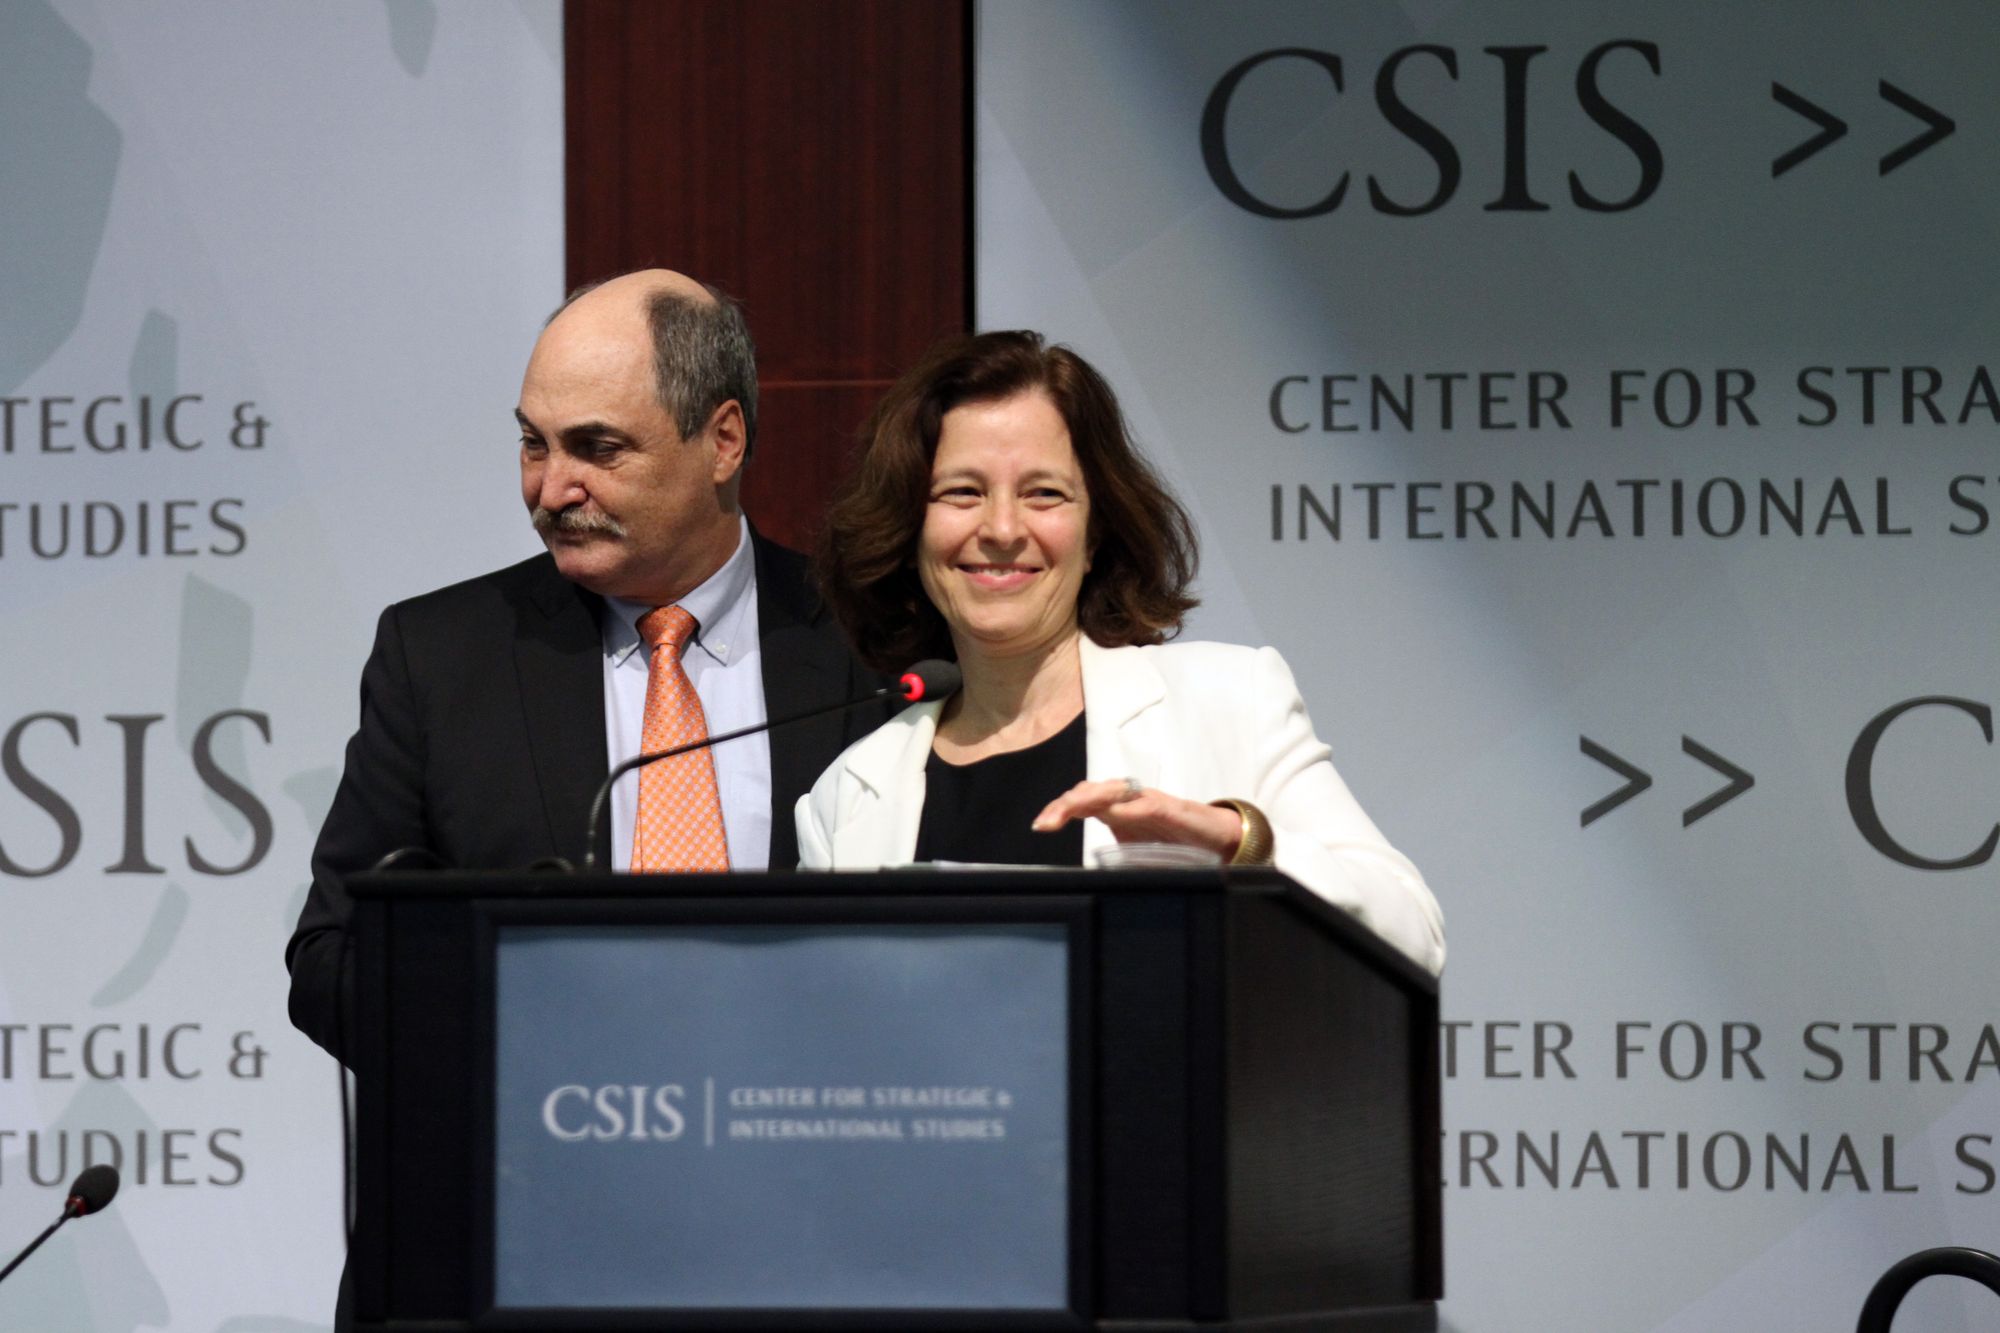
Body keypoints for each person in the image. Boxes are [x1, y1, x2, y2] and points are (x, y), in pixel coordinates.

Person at [286, 269, 890, 1061]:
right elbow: (331, 961)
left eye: (597, 448)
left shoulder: (872, 642)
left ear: (723, 440)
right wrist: (534, 1021)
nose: (552, 488)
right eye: (534, 443)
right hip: (537, 1155)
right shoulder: (439, 657)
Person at [799, 331, 1444, 975]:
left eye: (1043, 494)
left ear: (1096, 529)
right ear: (910, 527)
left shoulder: (1230, 701)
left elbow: (1412, 934)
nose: (1000, 529)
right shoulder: (849, 795)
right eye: (961, 492)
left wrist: (1239, 848)